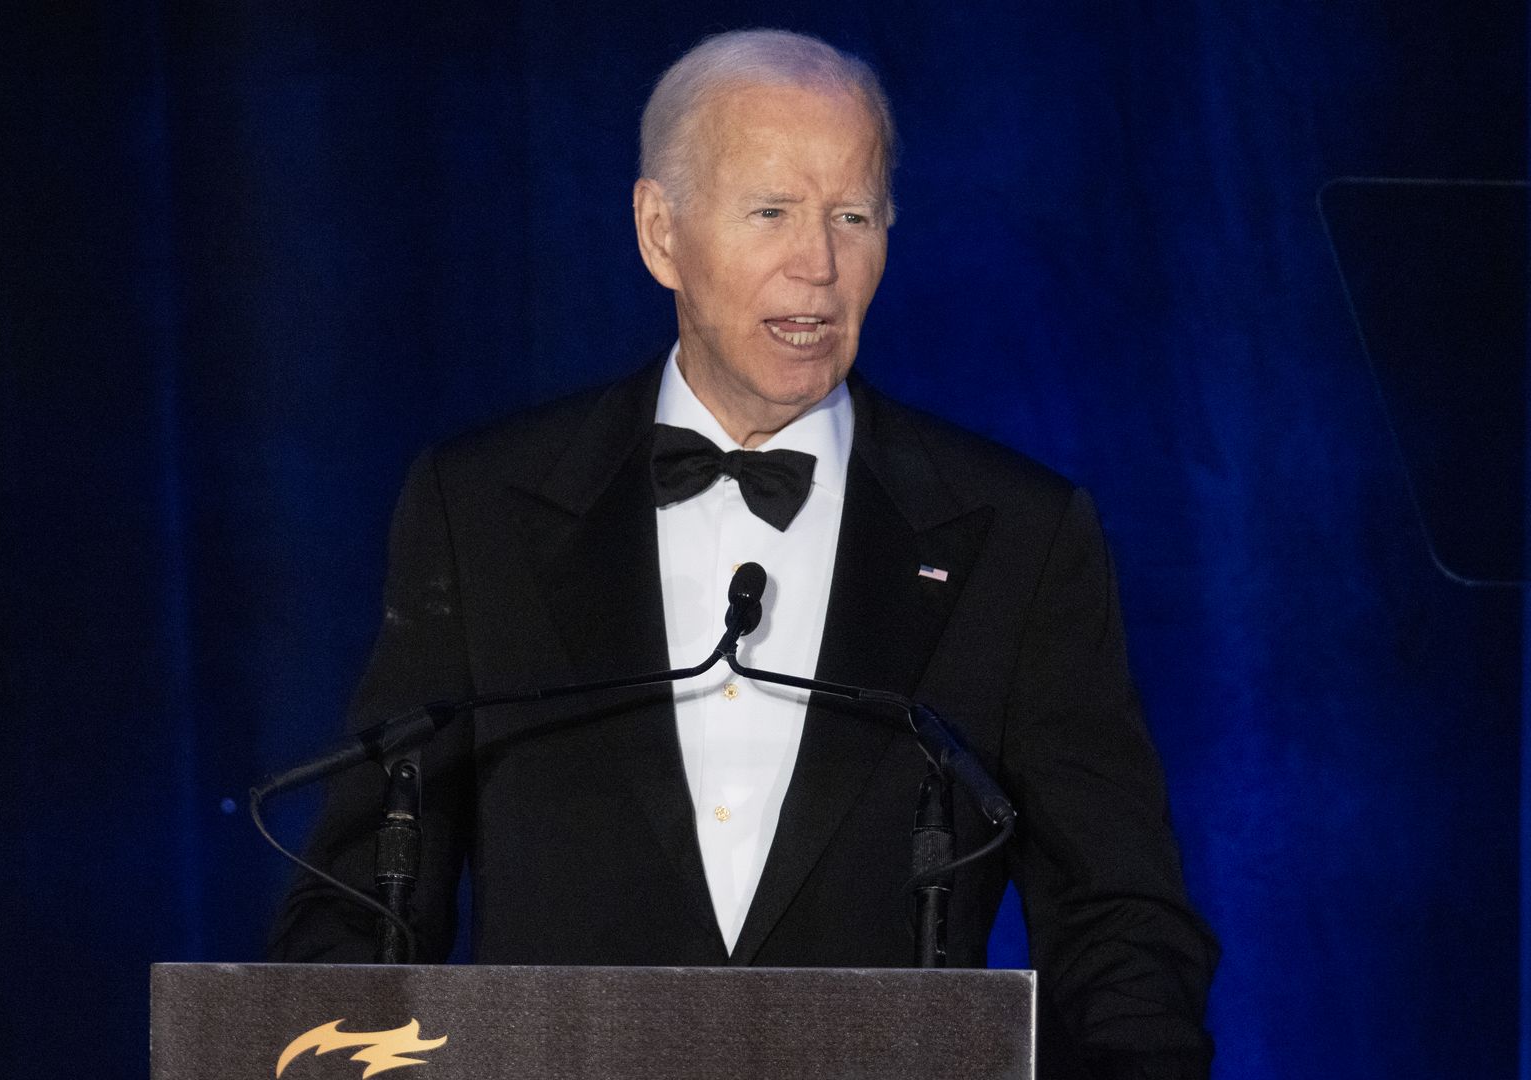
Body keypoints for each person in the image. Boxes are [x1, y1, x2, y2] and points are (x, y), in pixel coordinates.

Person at [270, 28, 1217, 1080]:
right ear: (659, 232)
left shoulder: (1019, 537)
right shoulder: (484, 508)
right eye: (771, 212)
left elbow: (1118, 920)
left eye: (851, 216)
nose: (817, 265)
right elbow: (366, 901)